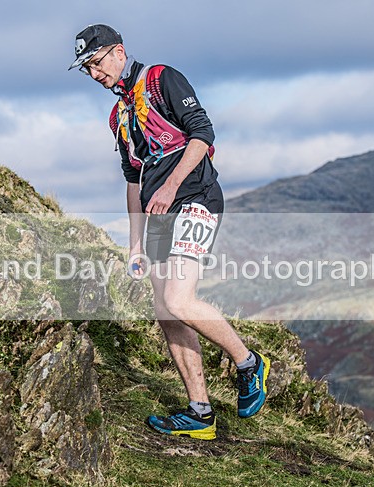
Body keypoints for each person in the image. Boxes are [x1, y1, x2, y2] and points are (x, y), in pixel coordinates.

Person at [69, 24, 270, 441]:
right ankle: (200, 413)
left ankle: (248, 362)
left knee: (179, 298)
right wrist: (135, 243)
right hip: (158, 212)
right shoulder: (118, 115)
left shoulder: (161, 79)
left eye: (96, 62)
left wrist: (171, 186)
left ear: (118, 52)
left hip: (195, 196)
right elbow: (132, 180)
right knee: (165, 310)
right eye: (86, 68)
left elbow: (203, 135)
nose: (93, 74)